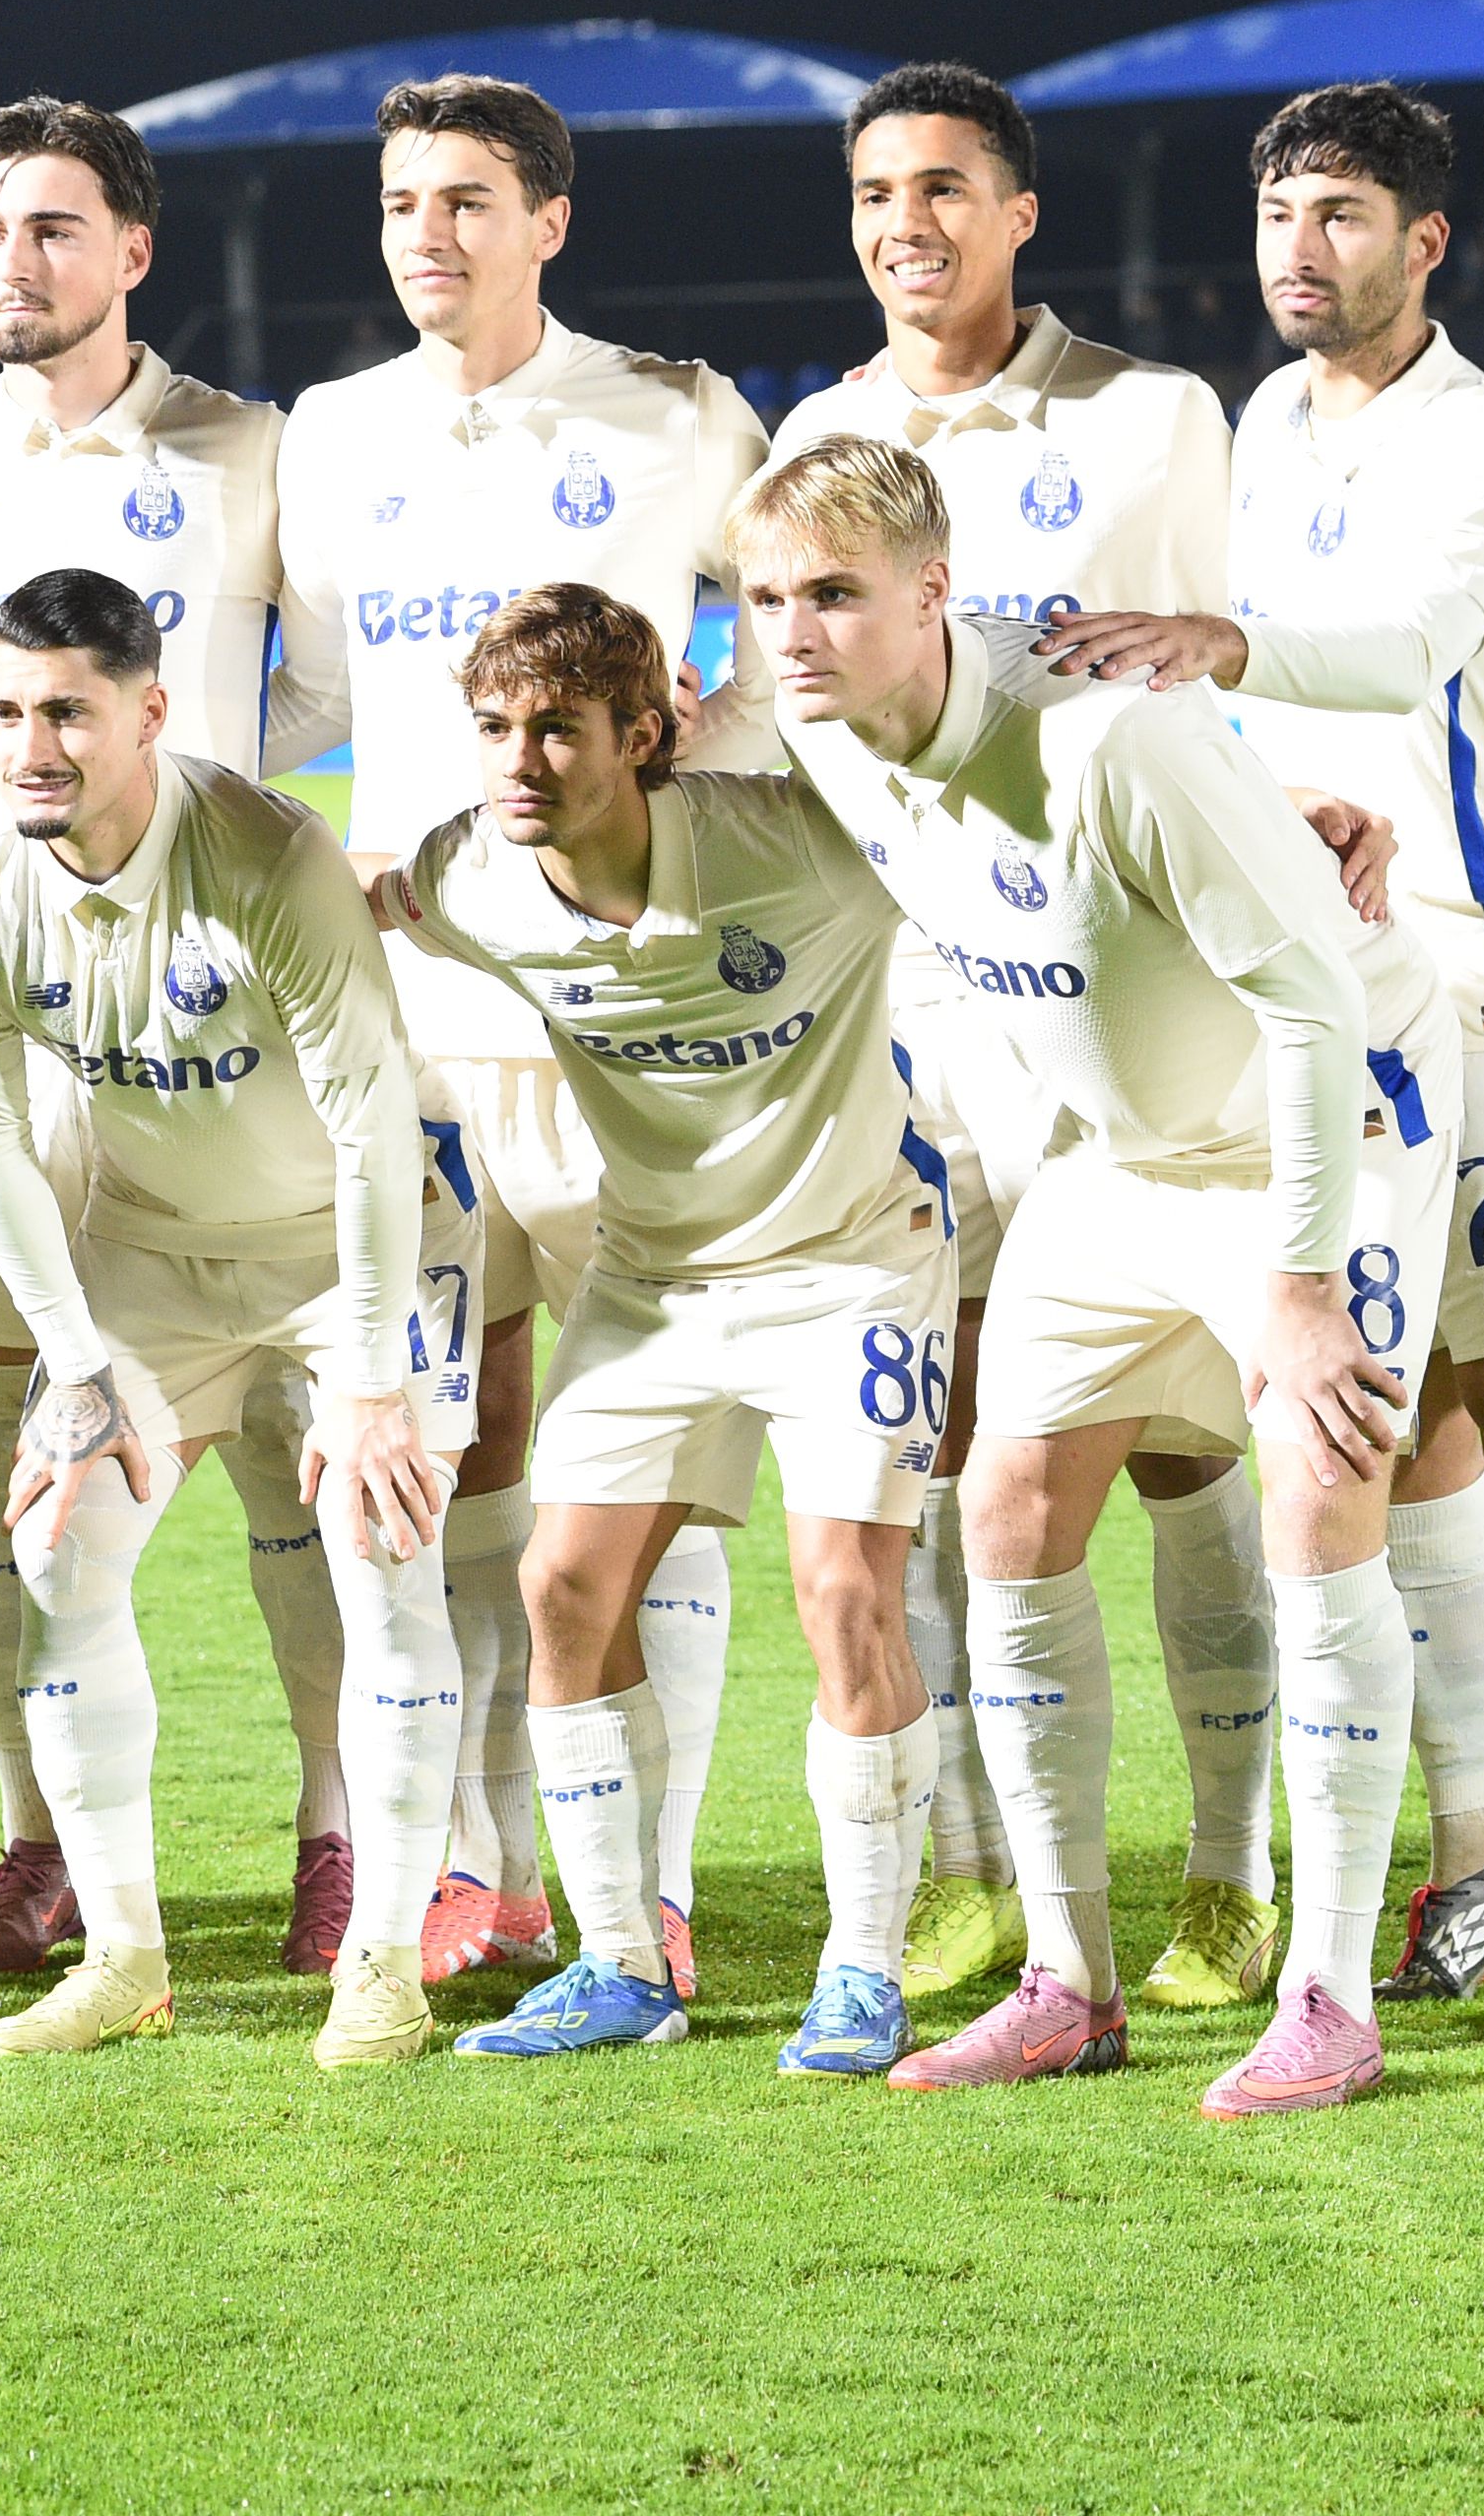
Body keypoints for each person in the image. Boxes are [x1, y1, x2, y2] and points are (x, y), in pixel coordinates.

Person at [1036, 79, 1484, 2052]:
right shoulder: (1248, 430)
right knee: (1391, 1423)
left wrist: (1216, 639)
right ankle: (1478, 1830)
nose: (1302, 248)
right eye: (1279, 213)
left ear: (1424, 244)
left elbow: (1402, 649)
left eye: (1343, 215)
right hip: (1337, 963)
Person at [739, 435, 1456, 2114]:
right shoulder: (830, 735)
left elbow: (1312, 1006)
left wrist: (1296, 1280)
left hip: (1319, 1122)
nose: (795, 631)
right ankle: (1072, 1979)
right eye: (768, 597)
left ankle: (1333, 1998)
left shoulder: (1110, 729)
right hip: (1118, 1157)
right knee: (1005, 1513)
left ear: (934, 592)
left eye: (835, 594)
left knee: (1316, 1489)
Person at [767, 62, 1288, 2018]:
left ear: (1016, 213)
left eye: (946, 189)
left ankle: (1229, 1872)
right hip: (907, 1021)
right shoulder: (813, 431)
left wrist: (1315, 814)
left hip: (1119, 1001)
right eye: (876, 193)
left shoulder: (1152, 417)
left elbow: (1230, 661)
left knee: (1163, 1448)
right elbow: (803, 744)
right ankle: (972, 1874)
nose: (907, 223)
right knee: (923, 1435)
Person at [278, 74, 781, 1998]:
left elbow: (785, 639)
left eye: (470, 200)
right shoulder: (327, 438)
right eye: (404, 202)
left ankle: (647, 1883)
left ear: (547, 221)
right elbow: (306, 678)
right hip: (406, 1025)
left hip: (626, 1020)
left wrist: (701, 775)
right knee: (436, 1452)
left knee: (654, 1450)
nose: (430, 233)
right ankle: (476, 1857)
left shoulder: (668, 415)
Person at [0, 96, 360, 1982]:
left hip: (216, 1024)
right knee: (16, 1436)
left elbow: (314, 686)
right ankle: (39, 1840)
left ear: (133, 252)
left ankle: (334, 1829)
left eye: (57, 228)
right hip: (7, 1031)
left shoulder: (249, 452)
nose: (19, 262)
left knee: (284, 1450)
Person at [0, 568, 484, 2067]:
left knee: (382, 1547)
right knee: (56, 1547)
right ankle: (128, 1961)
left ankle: (384, 1970)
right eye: (7, 713)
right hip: (147, 1255)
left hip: (353, 1249)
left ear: (149, 711)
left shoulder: (266, 856)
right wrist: (79, 1359)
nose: (34, 746)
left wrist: (366, 1383)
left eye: (69, 713)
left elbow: (371, 1130)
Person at [396, 585, 952, 2075]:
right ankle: (621, 1962)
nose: (520, 763)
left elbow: (1007, 828)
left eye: (559, 732)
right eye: (497, 730)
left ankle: (864, 1970)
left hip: (852, 1263)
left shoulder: (800, 845)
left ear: (644, 737)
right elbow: (339, 897)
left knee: (846, 1595)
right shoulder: (477, 875)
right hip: (655, 1283)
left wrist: (1309, 817)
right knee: (564, 1586)